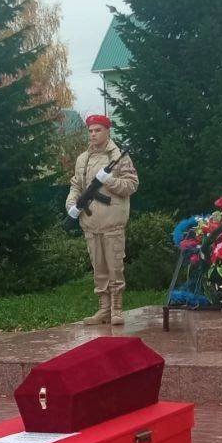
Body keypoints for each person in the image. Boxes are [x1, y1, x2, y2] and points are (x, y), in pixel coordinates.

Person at [66, 114, 139, 325]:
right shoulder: (83, 159)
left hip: (112, 222)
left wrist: (110, 180)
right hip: (90, 223)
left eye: (97, 130)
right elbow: (76, 186)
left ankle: (116, 308)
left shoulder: (119, 156)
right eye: (90, 131)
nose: (93, 134)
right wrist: (71, 205)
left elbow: (131, 185)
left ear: (107, 131)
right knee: (98, 268)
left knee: (115, 267)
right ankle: (104, 308)